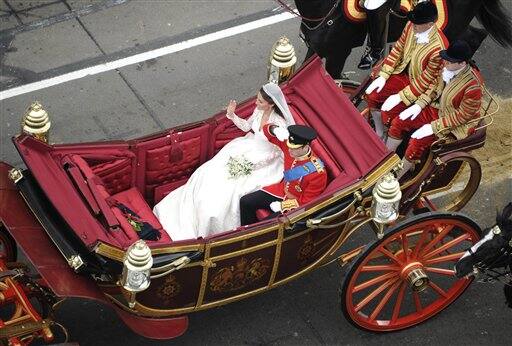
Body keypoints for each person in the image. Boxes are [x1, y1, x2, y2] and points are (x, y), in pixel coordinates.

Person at [153, 83, 295, 241]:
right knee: (208, 171)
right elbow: (247, 126)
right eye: (257, 99)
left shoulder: (279, 124)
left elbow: (281, 150)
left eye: (260, 101)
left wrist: (257, 163)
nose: (256, 103)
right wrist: (232, 115)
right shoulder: (258, 111)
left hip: (267, 160)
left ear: (271, 104)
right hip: (246, 147)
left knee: (228, 191)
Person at [385, 40, 483, 177]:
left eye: (449, 61)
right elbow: (433, 89)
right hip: (435, 108)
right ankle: (384, 160)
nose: (445, 63)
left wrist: (433, 127)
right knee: (399, 121)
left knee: (417, 141)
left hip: (451, 121)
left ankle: (397, 176)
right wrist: (419, 105)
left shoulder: (473, 86)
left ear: (462, 63)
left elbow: (463, 116)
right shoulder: (447, 68)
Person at [365, 0, 447, 140]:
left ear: (430, 25)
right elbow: (398, 49)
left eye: (417, 24)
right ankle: (380, 131)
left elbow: (426, 80)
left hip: (417, 86)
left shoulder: (438, 48)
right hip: (401, 73)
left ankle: (389, 134)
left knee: (389, 112)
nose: (413, 25)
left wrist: (400, 96)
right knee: (372, 95)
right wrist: (384, 75)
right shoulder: (411, 25)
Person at [240, 124, 328, 226]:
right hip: (281, 191)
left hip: (295, 204)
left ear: (306, 146)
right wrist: (275, 129)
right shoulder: (291, 147)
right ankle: (246, 233)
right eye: (289, 146)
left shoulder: (318, 173)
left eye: (294, 148)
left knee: (264, 226)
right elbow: (266, 130)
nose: (289, 150)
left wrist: (283, 206)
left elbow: (307, 203)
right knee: (245, 202)